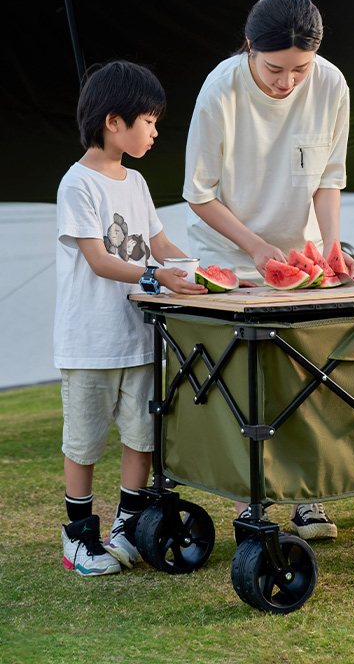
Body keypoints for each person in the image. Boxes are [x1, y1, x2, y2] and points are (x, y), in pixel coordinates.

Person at [183, 0, 354, 541]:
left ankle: (310, 500)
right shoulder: (221, 88)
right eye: (275, 69)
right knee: (245, 387)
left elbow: (329, 177)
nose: (287, 83)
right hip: (229, 257)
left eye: (299, 69)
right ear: (250, 50)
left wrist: (331, 247)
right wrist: (256, 248)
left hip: (304, 258)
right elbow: (199, 193)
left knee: (313, 378)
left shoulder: (330, 84)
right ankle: (249, 502)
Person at [55, 61, 207, 576]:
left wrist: (196, 269)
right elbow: (99, 260)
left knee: (142, 436)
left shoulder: (136, 182)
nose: (156, 131)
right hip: (90, 341)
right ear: (114, 121)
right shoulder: (77, 185)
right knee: (85, 441)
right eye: (150, 120)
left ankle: (127, 524)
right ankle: (77, 536)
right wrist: (158, 276)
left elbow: (159, 243)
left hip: (140, 338)